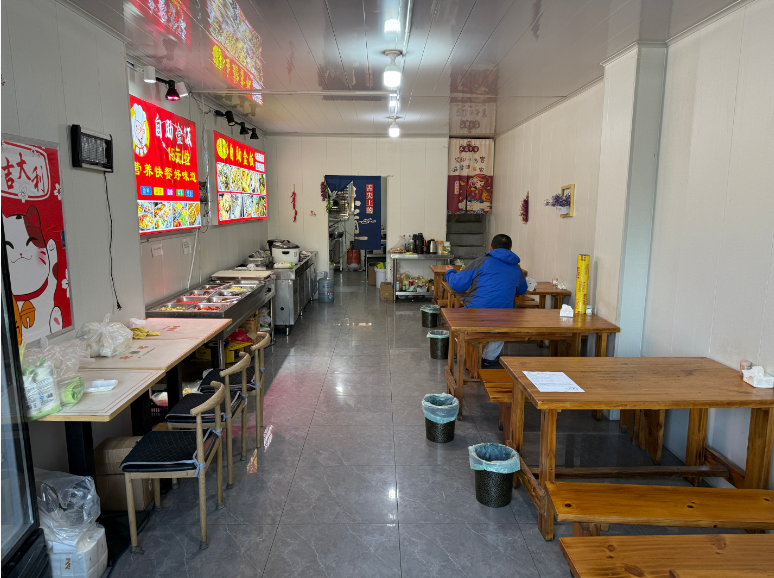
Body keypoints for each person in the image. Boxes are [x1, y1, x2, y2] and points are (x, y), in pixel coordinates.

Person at [445, 234, 527, 369]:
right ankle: (489, 358)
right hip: (503, 319)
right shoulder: (517, 268)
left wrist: (450, 272)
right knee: (506, 319)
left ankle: (462, 355)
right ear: (510, 249)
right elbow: (522, 290)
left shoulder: (480, 262)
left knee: (458, 321)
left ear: (490, 247)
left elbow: (457, 285)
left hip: (475, 316)